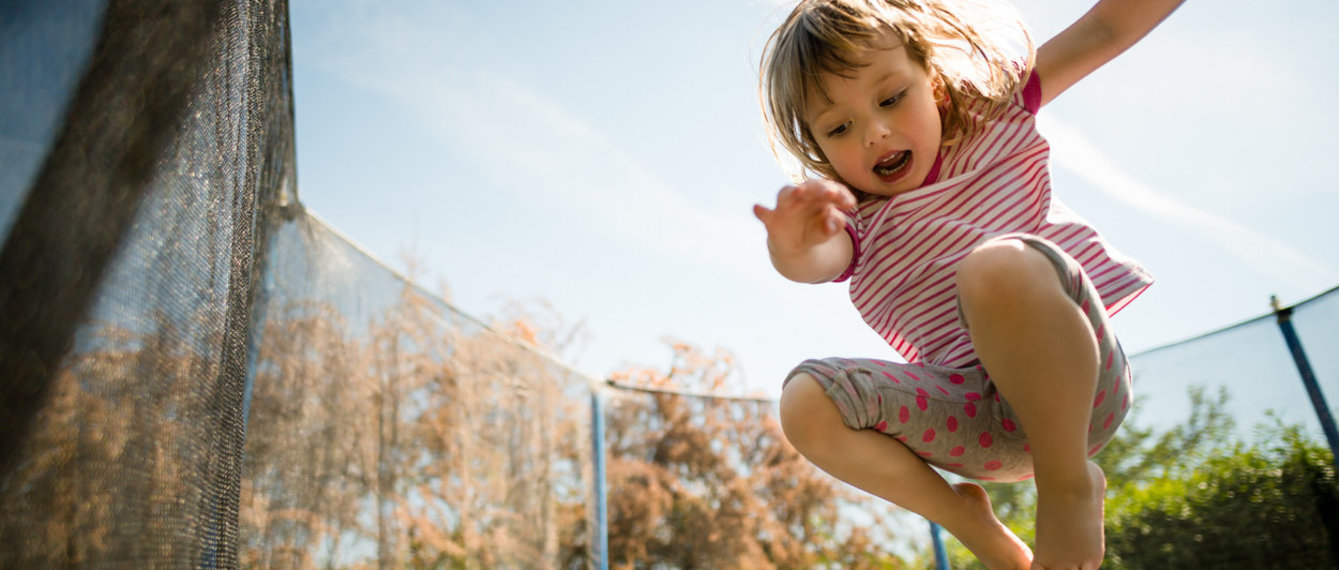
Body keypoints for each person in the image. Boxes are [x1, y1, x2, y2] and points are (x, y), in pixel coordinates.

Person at [752, 0, 1181, 568]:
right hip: (974, 424)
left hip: (1078, 392)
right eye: (839, 127)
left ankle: (1068, 487)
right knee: (805, 401)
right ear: (819, 148)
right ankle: (972, 525)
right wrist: (793, 242)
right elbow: (816, 262)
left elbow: (1105, 27)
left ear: (935, 84)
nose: (876, 133)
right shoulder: (853, 218)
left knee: (994, 267)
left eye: (891, 98)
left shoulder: (993, 118)